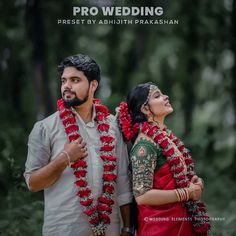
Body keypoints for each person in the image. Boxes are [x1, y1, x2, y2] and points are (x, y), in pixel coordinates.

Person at [24, 54, 134, 236]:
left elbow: (122, 181)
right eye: (64, 80)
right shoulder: (45, 128)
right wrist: (64, 158)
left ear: (93, 85)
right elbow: (33, 183)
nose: (66, 86)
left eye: (75, 80)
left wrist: (128, 227)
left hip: (109, 229)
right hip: (64, 229)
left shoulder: (113, 126)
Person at [117, 82, 211, 236]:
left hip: (179, 221)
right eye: (157, 95)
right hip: (160, 227)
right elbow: (142, 196)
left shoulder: (165, 136)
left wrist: (192, 182)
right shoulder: (144, 147)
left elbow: (170, 178)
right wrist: (187, 193)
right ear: (145, 109)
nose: (166, 97)